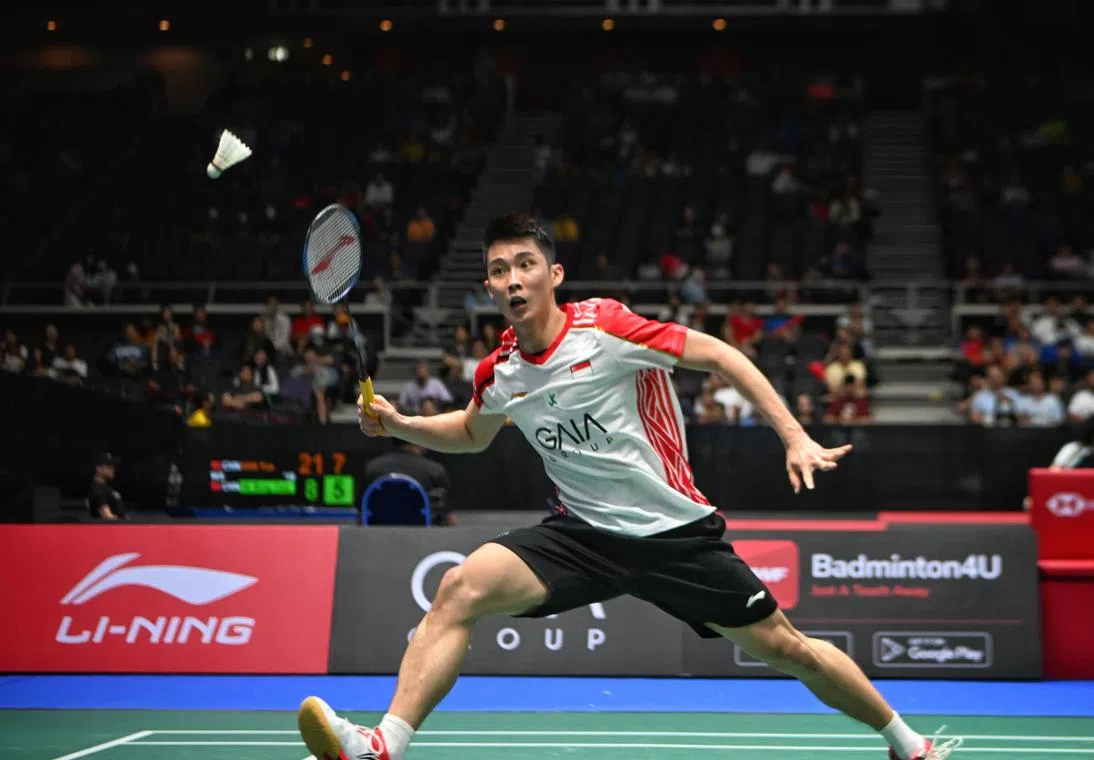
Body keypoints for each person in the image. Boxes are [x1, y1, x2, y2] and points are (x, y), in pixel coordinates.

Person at [296, 214, 961, 760]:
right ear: (490, 288)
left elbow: (721, 355)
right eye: (499, 270)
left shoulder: (607, 330)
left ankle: (908, 745)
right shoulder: (501, 370)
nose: (512, 279)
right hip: (581, 535)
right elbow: (472, 433)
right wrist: (401, 423)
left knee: (791, 650)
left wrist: (792, 434)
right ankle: (383, 745)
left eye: (525, 264)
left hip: (672, 534)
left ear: (553, 275)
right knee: (459, 588)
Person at [87, 452, 126, 521]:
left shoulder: (107, 488)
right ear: (98, 468)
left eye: (113, 466)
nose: (113, 468)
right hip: (110, 530)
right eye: (108, 466)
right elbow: (107, 517)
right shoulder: (97, 489)